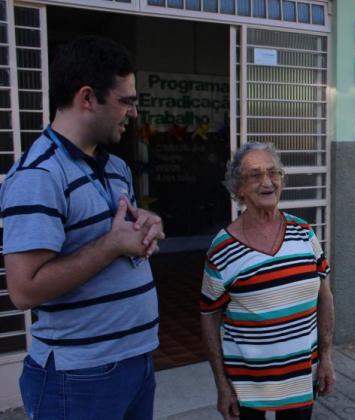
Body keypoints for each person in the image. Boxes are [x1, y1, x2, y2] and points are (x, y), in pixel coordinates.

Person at [0, 36, 164, 419]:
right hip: (77, 377)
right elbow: (24, 290)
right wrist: (111, 245)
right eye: (126, 101)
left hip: (136, 361)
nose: (133, 113)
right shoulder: (39, 175)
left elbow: (123, 238)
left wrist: (147, 227)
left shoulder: (115, 166)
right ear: (87, 98)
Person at [201, 142, 335, 420]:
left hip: (300, 377)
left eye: (274, 173)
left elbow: (325, 296)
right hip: (247, 384)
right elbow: (209, 316)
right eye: (255, 175)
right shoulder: (222, 248)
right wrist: (221, 384)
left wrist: (326, 357)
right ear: (238, 187)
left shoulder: (304, 233)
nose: (267, 182)